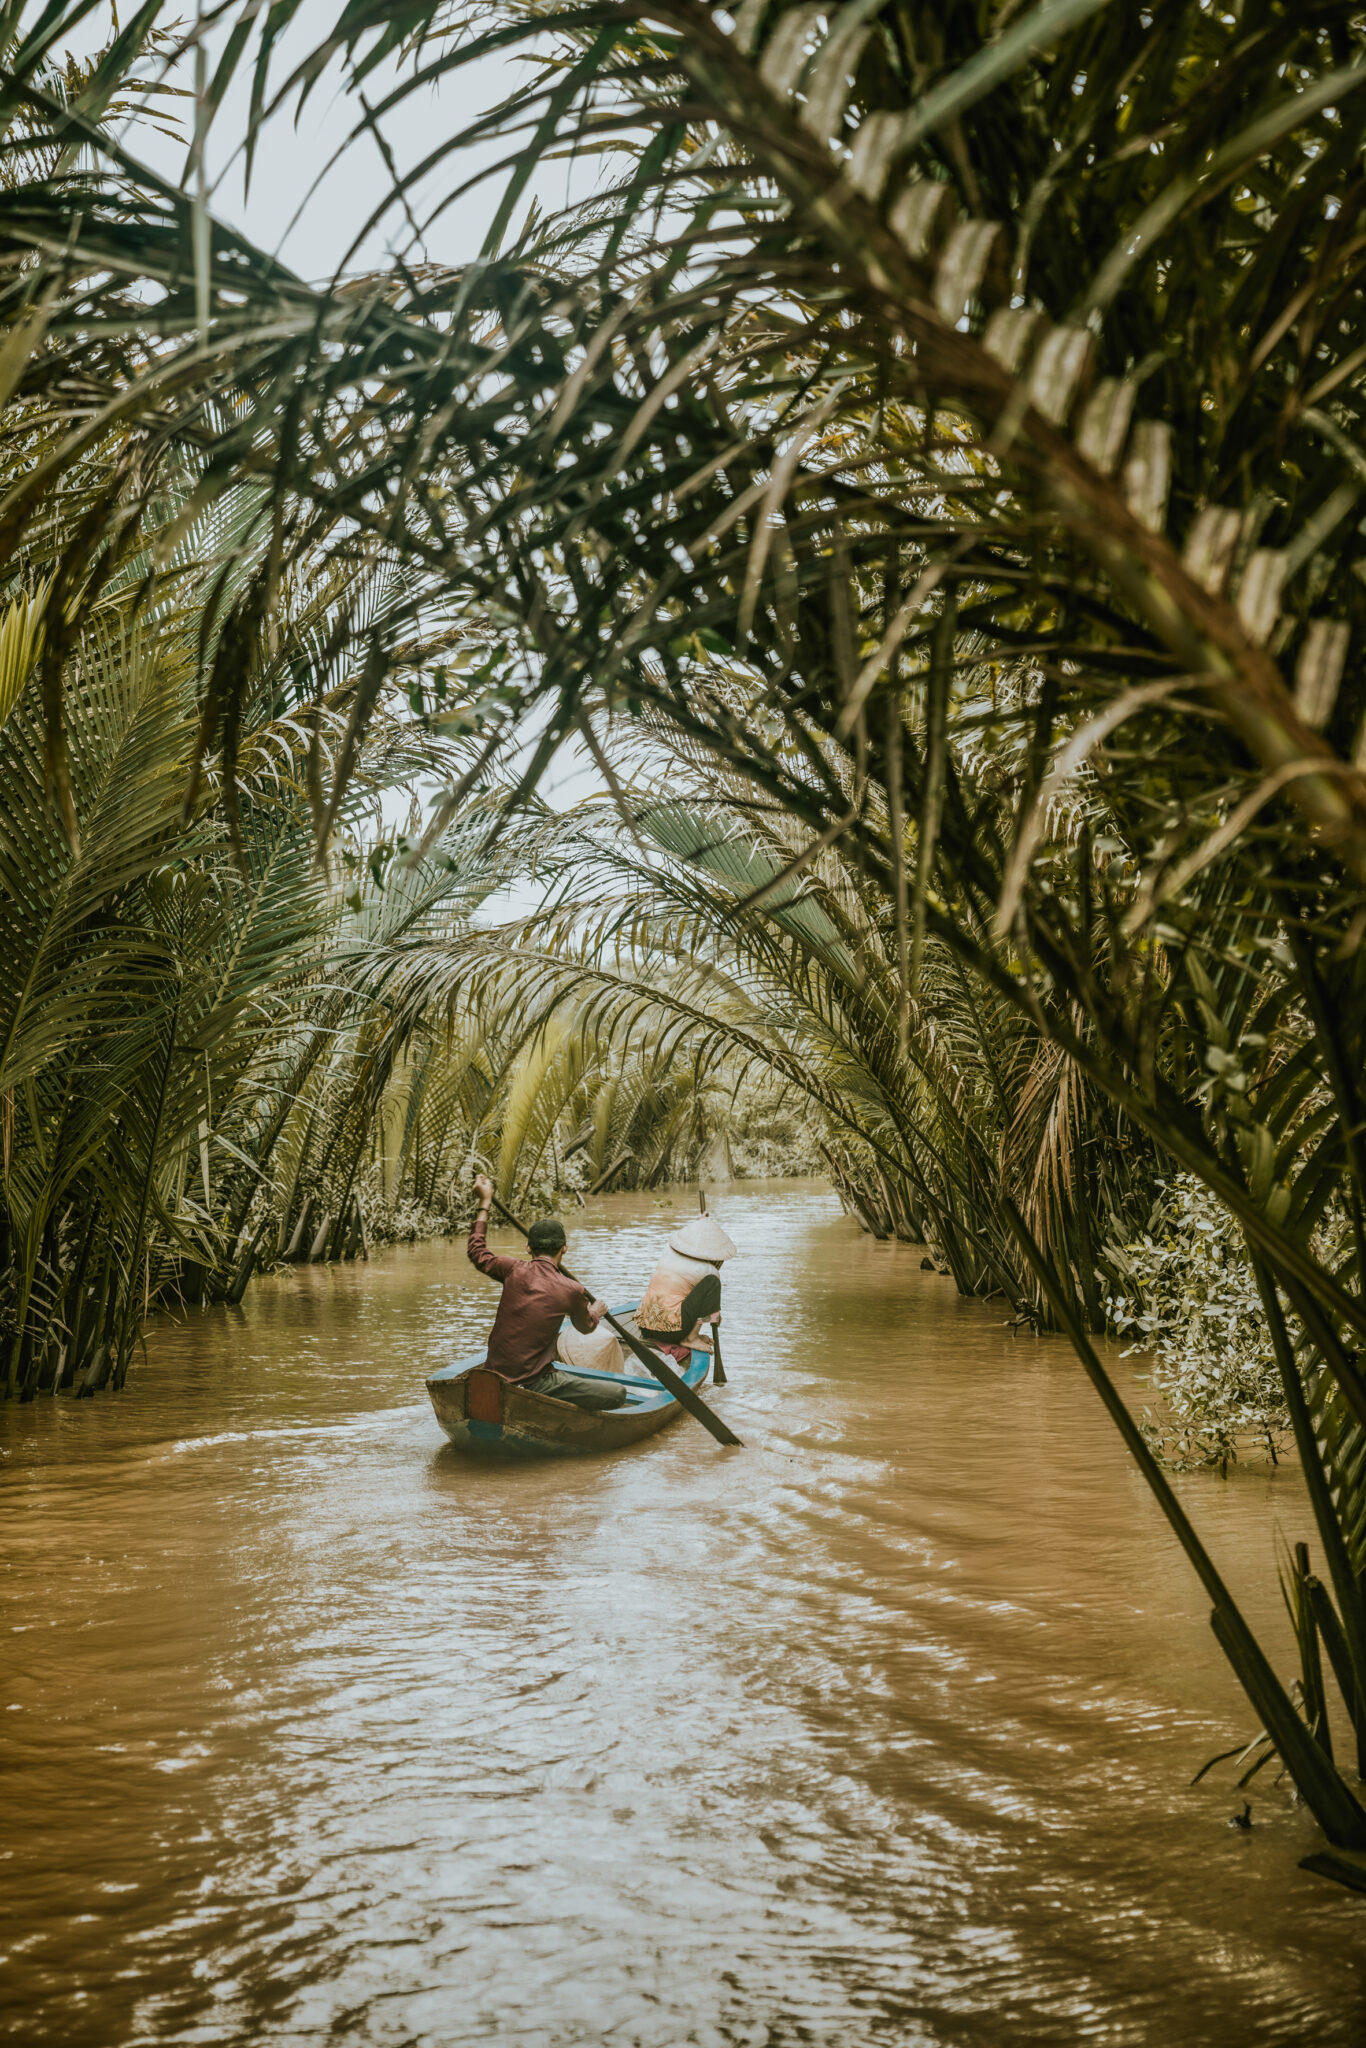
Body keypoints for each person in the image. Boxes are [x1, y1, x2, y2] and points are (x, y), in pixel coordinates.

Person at [466, 1175, 629, 1412]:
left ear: (528, 1247)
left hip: (494, 1376)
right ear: (564, 1248)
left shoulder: (512, 1269)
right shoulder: (572, 1290)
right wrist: (595, 1311)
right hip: (536, 1384)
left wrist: (485, 1203)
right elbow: (585, 1327)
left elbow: (476, 1251)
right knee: (618, 1393)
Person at [638, 1212, 737, 1362]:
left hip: (645, 1326)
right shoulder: (710, 1272)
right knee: (712, 1284)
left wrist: (700, 1222)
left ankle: (690, 1335)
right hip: (672, 1332)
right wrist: (714, 1316)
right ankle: (691, 1338)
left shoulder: (668, 1252)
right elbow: (709, 1311)